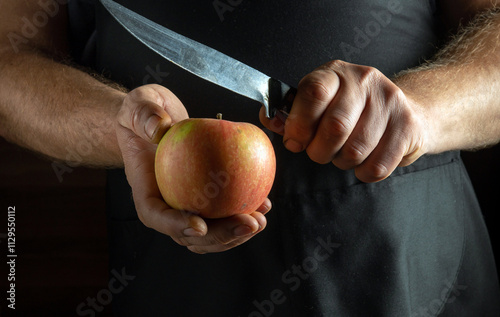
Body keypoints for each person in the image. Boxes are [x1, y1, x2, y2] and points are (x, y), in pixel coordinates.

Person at [1, 0, 499, 315]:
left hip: (408, 251)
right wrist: (123, 129)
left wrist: (417, 112)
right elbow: (8, 62)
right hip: (179, 271)